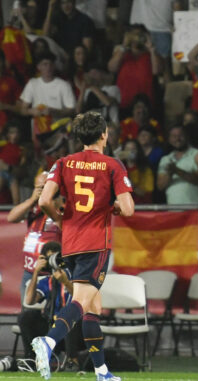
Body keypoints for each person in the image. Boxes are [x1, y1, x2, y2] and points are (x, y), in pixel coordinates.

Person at [32, 111, 134, 381]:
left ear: (78, 137)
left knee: (93, 307)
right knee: (81, 302)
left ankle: (102, 371)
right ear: (104, 135)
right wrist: (114, 207)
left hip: (71, 241)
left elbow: (43, 201)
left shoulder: (63, 162)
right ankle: (49, 342)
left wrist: (61, 220)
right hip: (95, 242)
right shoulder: (113, 165)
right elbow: (129, 208)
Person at [19, 241, 83, 369]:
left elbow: (81, 299)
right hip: (51, 328)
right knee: (26, 316)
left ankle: (72, 361)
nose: (54, 262)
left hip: (75, 331)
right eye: (49, 259)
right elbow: (29, 301)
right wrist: (36, 272)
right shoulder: (48, 281)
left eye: (56, 258)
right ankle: (32, 359)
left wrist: (64, 281)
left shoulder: (75, 275)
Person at [7, 172, 62, 300]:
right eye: (38, 187)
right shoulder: (33, 206)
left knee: (52, 312)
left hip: (52, 272)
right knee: (28, 313)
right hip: (30, 271)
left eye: (45, 187)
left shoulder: (61, 206)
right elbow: (11, 217)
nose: (42, 191)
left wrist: (49, 203)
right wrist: (32, 200)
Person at [157, 126, 198, 205]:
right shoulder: (165, 159)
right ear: (169, 140)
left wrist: (177, 171)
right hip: (174, 210)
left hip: (197, 208)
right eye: (174, 136)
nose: (177, 139)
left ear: (187, 137)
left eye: (181, 135)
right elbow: (160, 186)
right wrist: (169, 174)